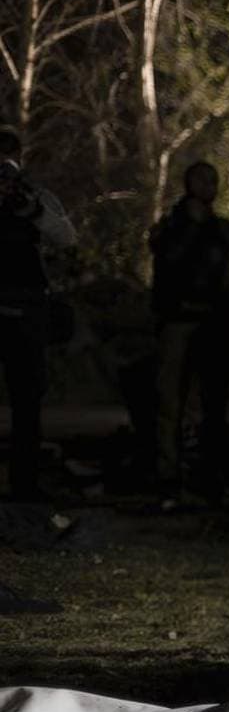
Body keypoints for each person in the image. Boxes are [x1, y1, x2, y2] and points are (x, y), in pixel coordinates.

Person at [150, 161, 229, 501]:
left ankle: (208, 474)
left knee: (213, 403)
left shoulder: (224, 233)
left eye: (212, 179)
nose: (210, 185)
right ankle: (170, 475)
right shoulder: (172, 230)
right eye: (204, 180)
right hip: (179, 322)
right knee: (171, 403)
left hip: (212, 323)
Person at [0, 128, 76, 501]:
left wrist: (30, 209)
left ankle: (25, 483)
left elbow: (65, 236)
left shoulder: (32, 195)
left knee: (27, 399)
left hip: (27, 304)